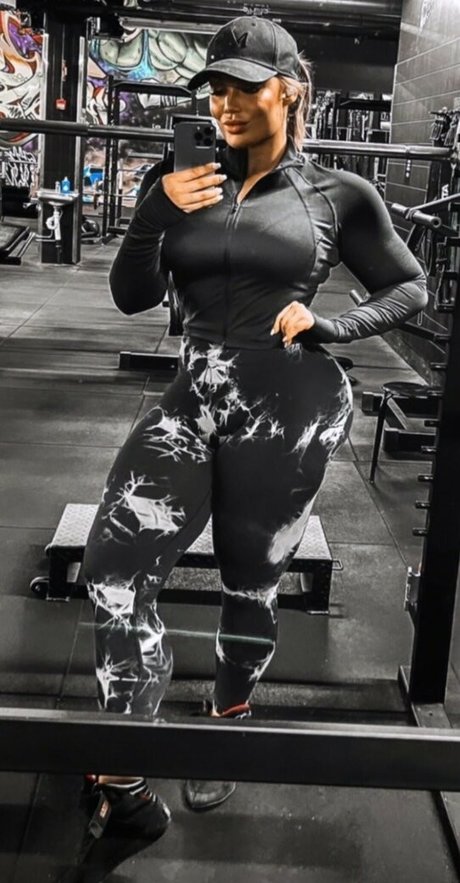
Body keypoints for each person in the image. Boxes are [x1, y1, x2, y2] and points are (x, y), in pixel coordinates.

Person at [73, 14, 428, 879]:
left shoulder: (338, 193)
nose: (225, 104)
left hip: (289, 402)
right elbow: (130, 296)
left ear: (289, 91)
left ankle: (229, 717)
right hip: (193, 391)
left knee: (250, 577)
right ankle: (125, 772)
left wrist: (336, 323)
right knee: (113, 567)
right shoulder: (180, 178)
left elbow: (410, 285)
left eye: (243, 86)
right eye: (215, 89)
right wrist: (156, 209)